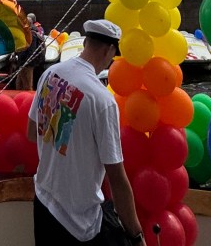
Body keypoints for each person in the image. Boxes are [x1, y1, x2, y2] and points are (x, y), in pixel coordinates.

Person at [27, 18, 143, 246]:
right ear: (109, 49)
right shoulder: (102, 100)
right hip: (77, 223)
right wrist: (137, 235)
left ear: (86, 42)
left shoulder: (50, 74)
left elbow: (33, 132)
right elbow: (117, 178)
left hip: (42, 203)